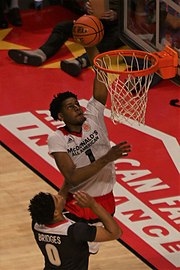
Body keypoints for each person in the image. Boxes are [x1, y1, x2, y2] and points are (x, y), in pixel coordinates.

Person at [48, 45, 131, 253]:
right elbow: (72, 176)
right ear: (60, 117)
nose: (77, 107)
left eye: (76, 103)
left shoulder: (93, 116)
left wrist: (91, 44)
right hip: (78, 202)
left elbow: (102, 74)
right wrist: (107, 157)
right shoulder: (57, 138)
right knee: (72, 254)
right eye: (69, 106)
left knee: (90, 251)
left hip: (106, 198)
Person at [8, 0, 123, 76]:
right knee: (62, 27)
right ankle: (42, 53)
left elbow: (133, 8)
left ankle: (81, 61)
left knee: (111, 40)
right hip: (94, 20)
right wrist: (86, 6)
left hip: (119, 27)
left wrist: (116, 14)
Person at [28, 187, 122, 270]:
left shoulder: (36, 225)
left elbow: (60, 199)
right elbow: (116, 233)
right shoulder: (75, 231)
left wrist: (69, 180)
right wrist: (93, 204)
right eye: (56, 199)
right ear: (55, 213)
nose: (59, 196)